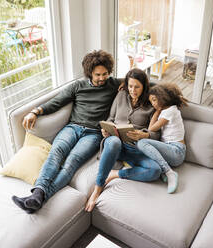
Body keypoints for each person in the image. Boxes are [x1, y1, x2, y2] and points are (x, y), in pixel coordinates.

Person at [12, 50, 122, 214]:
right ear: (89, 73)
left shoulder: (113, 84)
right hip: (72, 127)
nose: (102, 78)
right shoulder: (78, 86)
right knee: (56, 153)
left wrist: (127, 86)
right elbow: (57, 101)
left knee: (72, 162)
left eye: (105, 74)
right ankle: (38, 193)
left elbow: (137, 82)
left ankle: (38, 197)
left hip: (93, 134)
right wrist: (35, 112)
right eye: (97, 74)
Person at [85, 68, 161, 212]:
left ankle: (115, 174)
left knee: (155, 171)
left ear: (144, 86)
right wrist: (106, 130)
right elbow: (111, 118)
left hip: (136, 149)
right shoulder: (121, 94)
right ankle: (98, 188)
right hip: (114, 143)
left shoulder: (151, 104)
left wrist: (144, 135)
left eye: (137, 87)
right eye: (130, 86)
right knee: (114, 142)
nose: (133, 90)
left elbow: (156, 134)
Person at [137, 83, 188, 194]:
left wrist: (157, 111)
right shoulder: (165, 112)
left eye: (154, 100)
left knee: (142, 143)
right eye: (151, 102)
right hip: (170, 150)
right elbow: (151, 129)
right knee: (145, 151)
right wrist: (158, 110)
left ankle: (169, 172)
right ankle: (163, 172)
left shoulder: (171, 111)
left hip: (176, 151)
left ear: (162, 97)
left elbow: (151, 128)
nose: (153, 104)